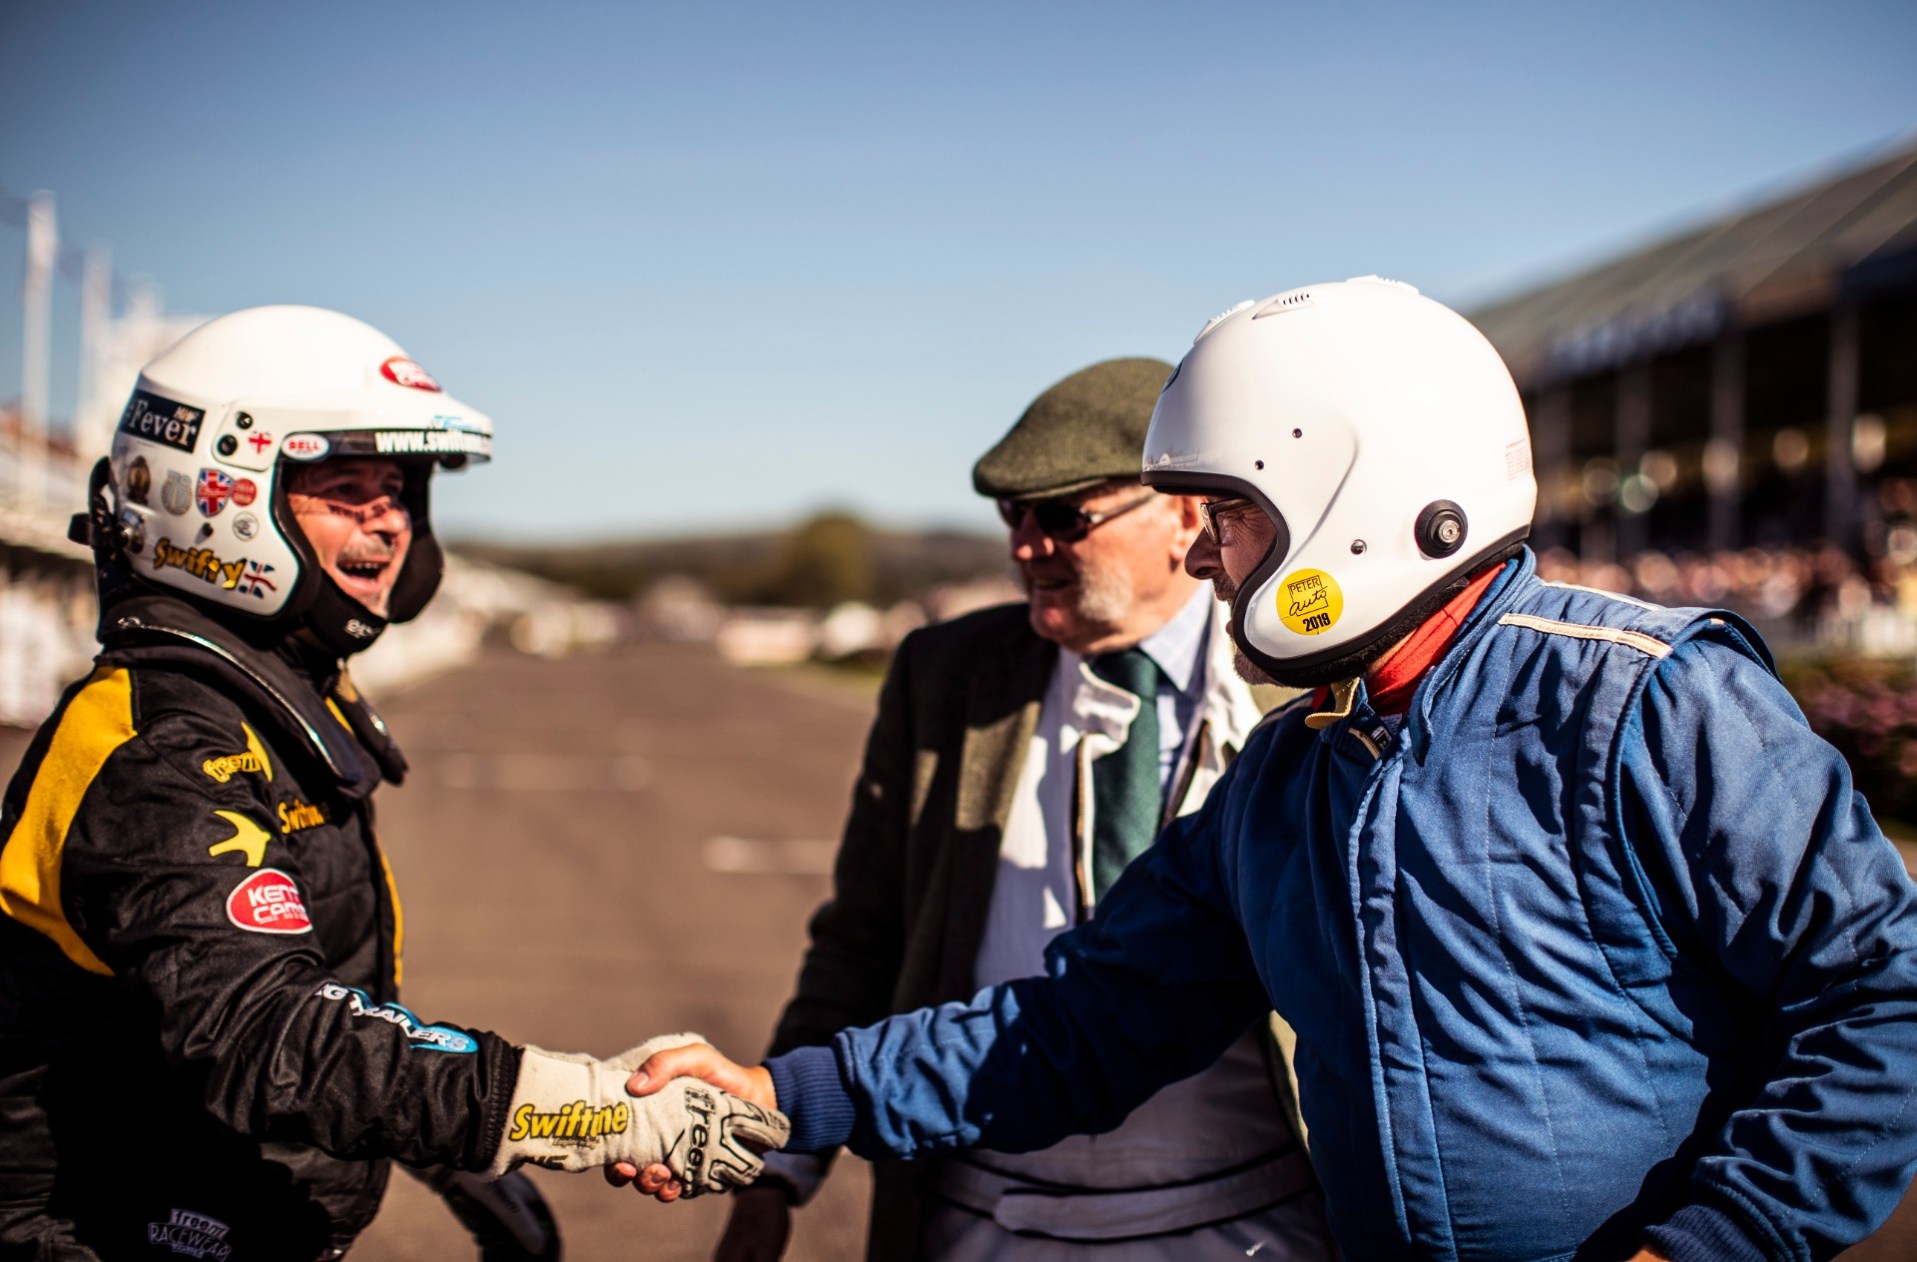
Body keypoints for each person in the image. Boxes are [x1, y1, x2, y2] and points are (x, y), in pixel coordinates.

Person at [623, 278, 1917, 1261]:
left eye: (1226, 512)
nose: (1201, 556)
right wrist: (790, 1093)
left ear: (1358, 491)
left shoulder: (1648, 695)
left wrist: (1710, 1247)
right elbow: (1076, 1024)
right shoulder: (1287, 779)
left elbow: (1879, 997)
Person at [0, 306, 785, 1262]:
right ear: (224, 498)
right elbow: (264, 1034)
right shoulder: (158, 740)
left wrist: (467, 1158)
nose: (388, 523)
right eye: (343, 490)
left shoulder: (273, 695)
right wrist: (578, 1112)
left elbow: (329, 996)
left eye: (399, 492)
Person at [713, 359, 1334, 1262]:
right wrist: (775, 1166)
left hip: (1251, 1222)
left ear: (1185, 515)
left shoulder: (1307, 682)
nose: (1024, 548)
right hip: (981, 1219)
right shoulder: (945, 677)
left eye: (1061, 517)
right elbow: (862, 935)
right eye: (1012, 517)